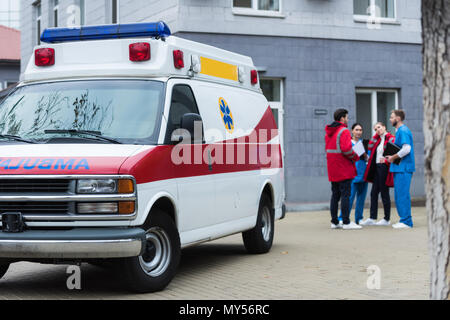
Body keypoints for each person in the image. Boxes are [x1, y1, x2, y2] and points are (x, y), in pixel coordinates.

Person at [325, 109, 361, 230]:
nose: (348, 119)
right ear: (342, 118)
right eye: (347, 117)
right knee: (346, 195)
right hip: (344, 168)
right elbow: (346, 149)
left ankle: (334, 222)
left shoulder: (329, 131)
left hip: (333, 168)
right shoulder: (344, 131)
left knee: (335, 195)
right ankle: (346, 222)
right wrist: (355, 157)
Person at [360, 122, 395, 226]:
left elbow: (393, 153)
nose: (377, 130)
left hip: (384, 167)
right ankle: (372, 217)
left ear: (384, 127)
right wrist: (376, 135)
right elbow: (370, 146)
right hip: (376, 168)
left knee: (384, 193)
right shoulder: (378, 140)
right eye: (375, 129)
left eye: (379, 127)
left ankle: (386, 218)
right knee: (373, 193)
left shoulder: (391, 138)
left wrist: (386, 160)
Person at [385, 109, 415, 229]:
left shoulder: (403, 131)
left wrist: (393, 157)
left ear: (398, 118)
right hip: (400, 168)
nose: (390, 119)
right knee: (400, 194)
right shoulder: (400, 131)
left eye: (392, 117)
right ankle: (404, 219)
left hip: (403, 168)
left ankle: (406, 221)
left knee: (402, 194)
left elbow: (407, 148)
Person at [338, 123, 369, 225]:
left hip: (363, 174)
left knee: (361, 198)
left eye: (360, 130)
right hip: (352, 174)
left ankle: (359, 218)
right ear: (352, 131)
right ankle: (342, 217)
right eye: (356, 130)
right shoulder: (348, 143)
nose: (358, 132)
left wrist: (364, 154)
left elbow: (368, 159)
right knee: (349, 198)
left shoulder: (364, 144)